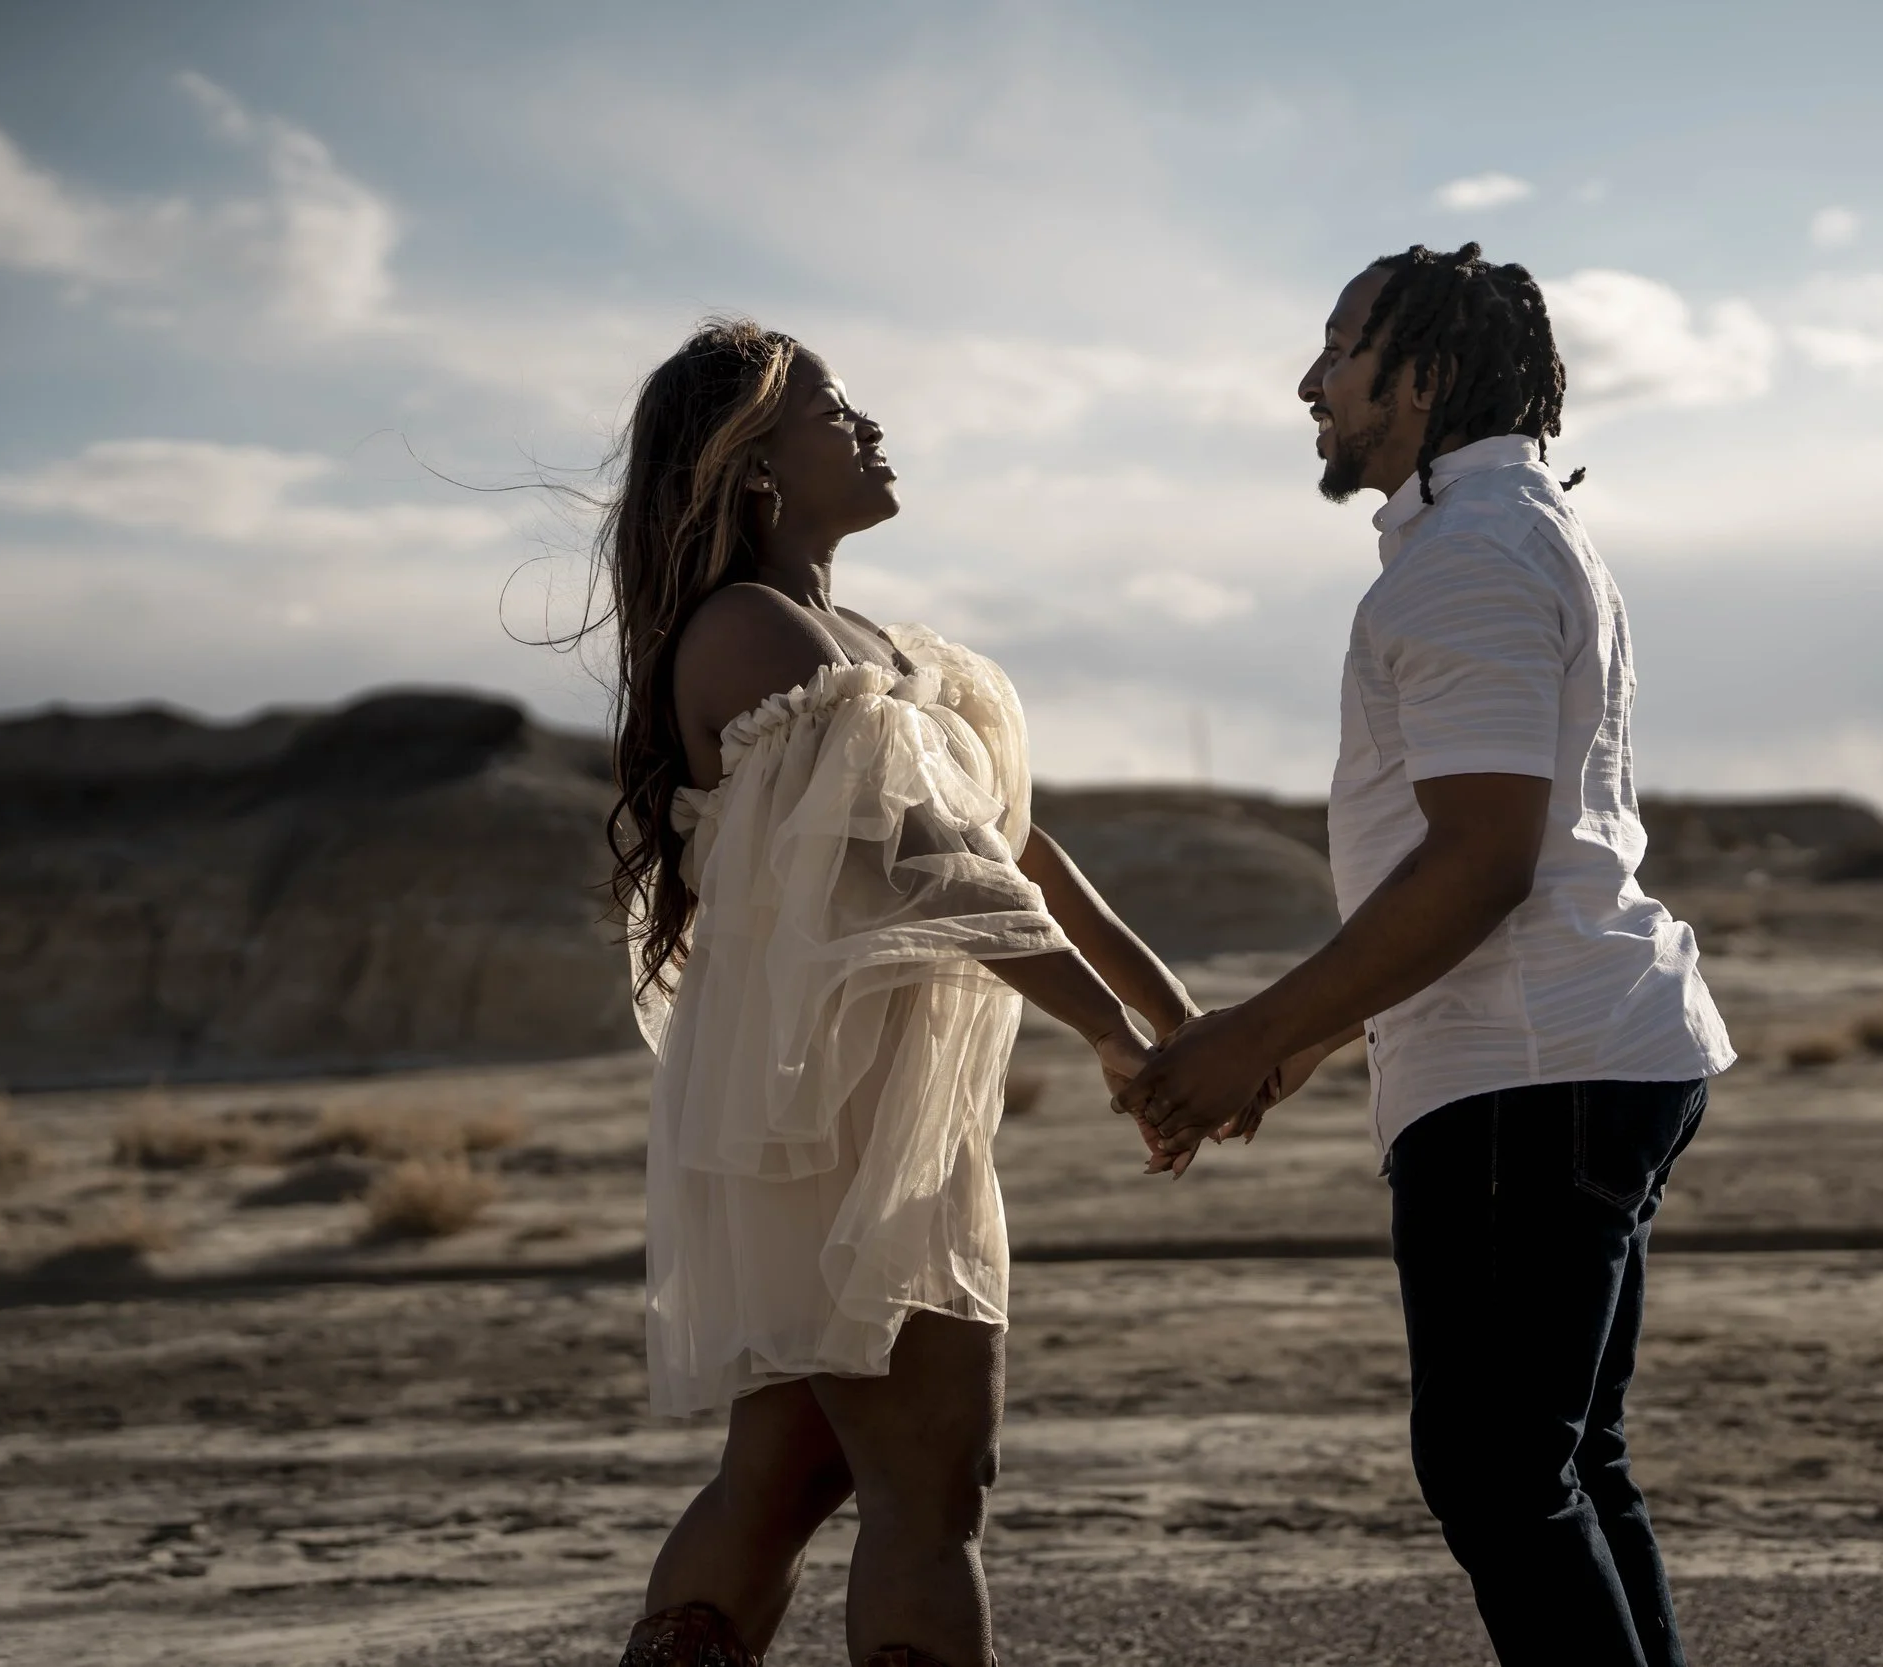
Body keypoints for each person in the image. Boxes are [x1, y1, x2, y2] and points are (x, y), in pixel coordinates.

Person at [1118, 243, 1736, 1666]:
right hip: (1568, 1055)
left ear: (1425, 376)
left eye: (1339, 350)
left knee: (1499, 1475)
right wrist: (1305, 1046)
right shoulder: (1503, 536)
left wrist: (1256, 1033)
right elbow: (1486, 860)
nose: (1310, 383)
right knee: (1564, 1464)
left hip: (1529, 1071)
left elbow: (1482, 863)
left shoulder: (1467, 561)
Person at [600, 319, 1195, 1667]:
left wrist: (1168, 1012)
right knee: (933, 1488)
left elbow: (1014, 845)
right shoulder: (750, 630)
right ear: (754, 464)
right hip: (832, 1117)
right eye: (833, 411)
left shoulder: (874, 643)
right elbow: (935, 863)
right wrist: (1110, 1037)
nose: (869, 428)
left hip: (869, 1110)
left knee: (791, 1473)